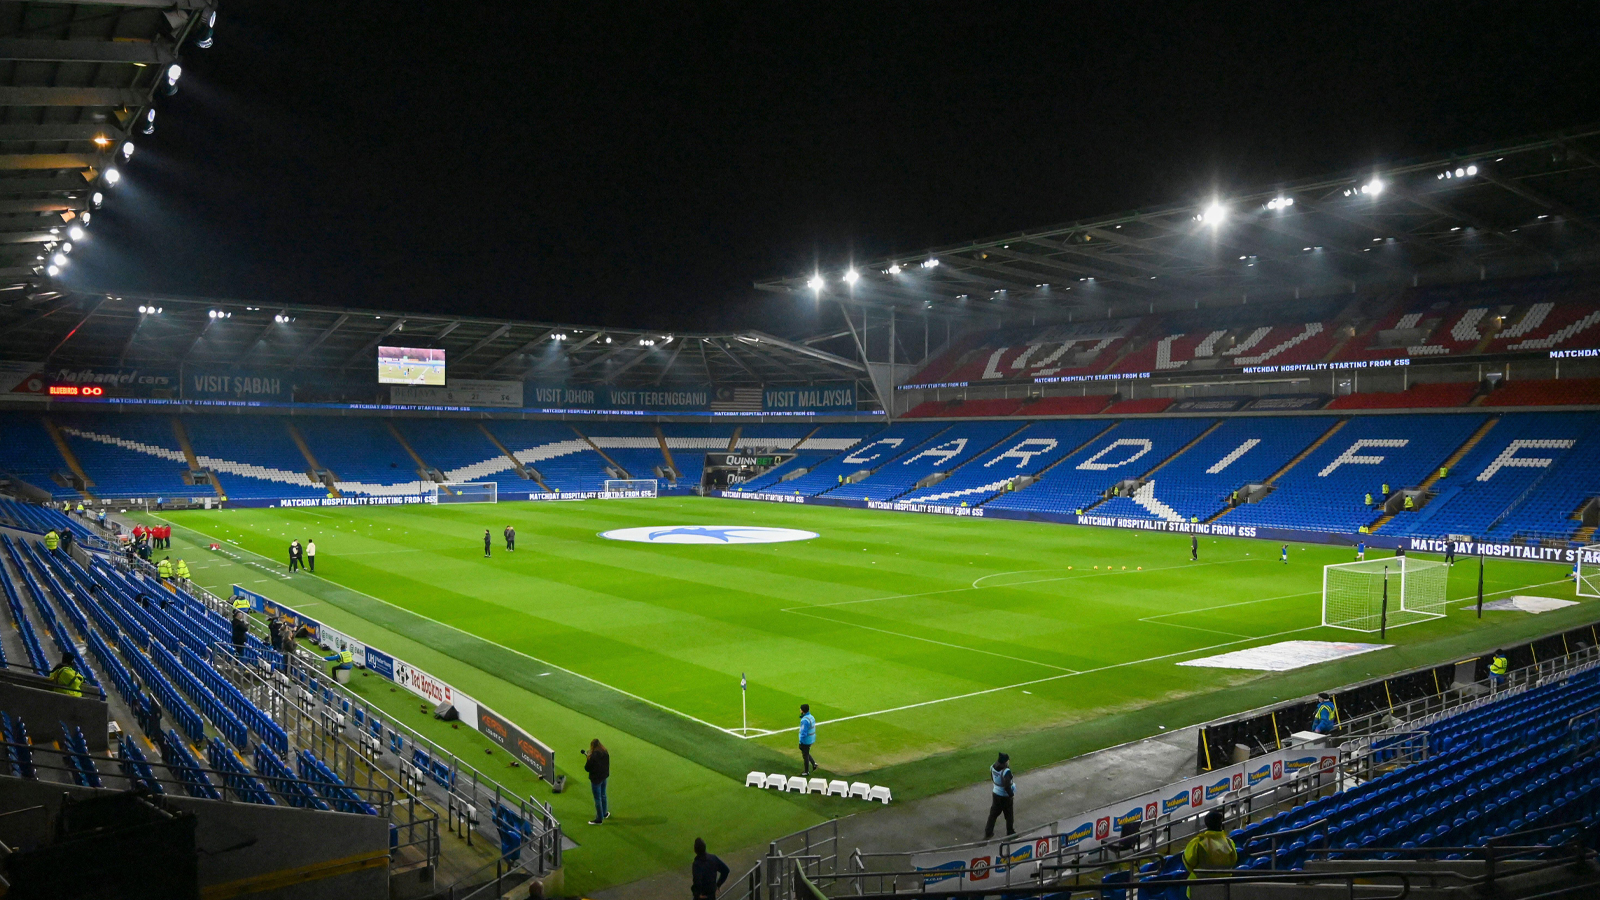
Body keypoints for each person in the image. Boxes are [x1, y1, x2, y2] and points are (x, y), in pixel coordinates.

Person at [1182, 810, 1239, 892]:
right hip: (1223, 887)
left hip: (1199, 887)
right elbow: (1233, 861)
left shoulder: (1197, 843)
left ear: (1206, 824)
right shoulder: (1229, 843)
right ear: (1220, 824)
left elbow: (1188, 862)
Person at [984, 751, 1016, 839]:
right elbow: (1007, 785)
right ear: (1005, 761)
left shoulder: (992, 767)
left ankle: (988, 832)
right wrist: (1011, 794)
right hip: (1005, 796)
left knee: (993, 814)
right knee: (1009, 815)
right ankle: (1010, 832)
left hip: (995, 793)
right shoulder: (1006, 771)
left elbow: (993, 778)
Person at [583, 738, 610, 825]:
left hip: (596, 780)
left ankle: (599, 818)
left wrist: (588, 759)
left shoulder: (593, 756)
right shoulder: (605, 752)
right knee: (603, 795)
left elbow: (587, 768)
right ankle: (605, 813)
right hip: (604, 777)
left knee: (597, 798)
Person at [798, 703, 818, 775]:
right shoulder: (811, 717)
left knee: (805, 755)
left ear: (802, 710)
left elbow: (803, 732)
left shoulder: (804, 720)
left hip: (806, 740)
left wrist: (801, 740)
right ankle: (814, 764)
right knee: (806, 752)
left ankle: (806, 771)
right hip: (811, 738)